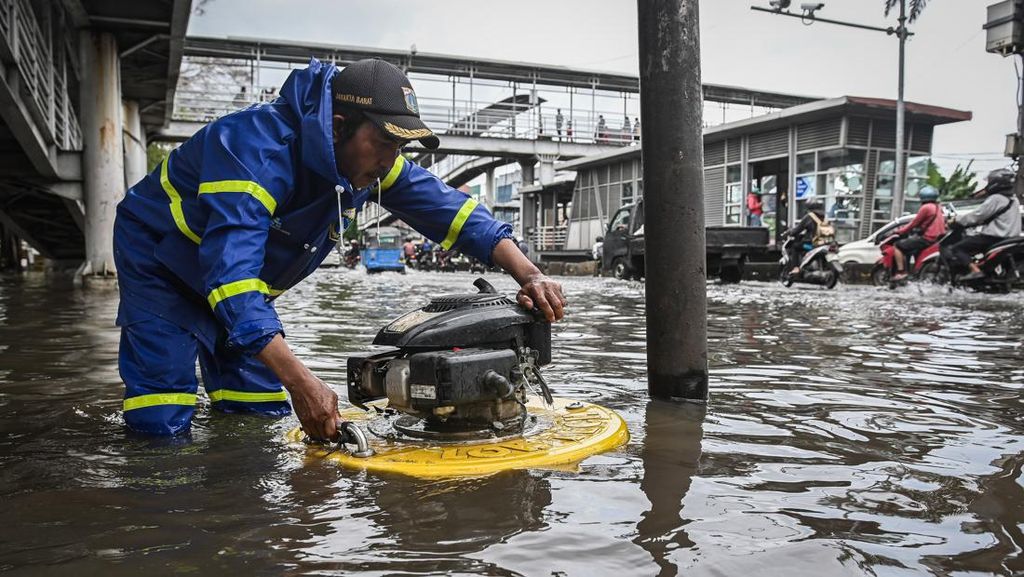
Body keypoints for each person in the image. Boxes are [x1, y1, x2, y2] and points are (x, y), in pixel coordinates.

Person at [113, 58, 567, 438]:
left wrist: (529, 274)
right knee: (162, 414)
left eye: (399, 145)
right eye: (385, 141)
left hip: (243, 286)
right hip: (163, 266)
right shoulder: (253, 152)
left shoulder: (370, 162)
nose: (391, 160)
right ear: (337, 127)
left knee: (256, 413)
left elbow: (452, 211)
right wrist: (302, 382)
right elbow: (230, 278)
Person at [946, 168, 1022, 281]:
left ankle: (975, 271)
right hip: (1011, 238)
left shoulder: (995, 199)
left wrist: (956, 220)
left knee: (957, 248)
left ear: (996, 183)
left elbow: (977, 215)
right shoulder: (1014, 199)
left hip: (993, 238)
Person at [890, 185, 945, 281]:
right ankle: (914, 272)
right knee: (912, 249)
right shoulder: (938, 207)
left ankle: (901, 272)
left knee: (898, 245)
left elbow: (914, 223)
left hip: (928, 238)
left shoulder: (926, 207)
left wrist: (900, 231)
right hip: (937, 238)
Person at [783, 200, 832, 276]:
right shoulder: (825, 217)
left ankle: (796, 268)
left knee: (795, 246)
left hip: (811, 246)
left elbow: (797, 229)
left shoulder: (809, 217)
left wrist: (789, 232)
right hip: (825, 244)